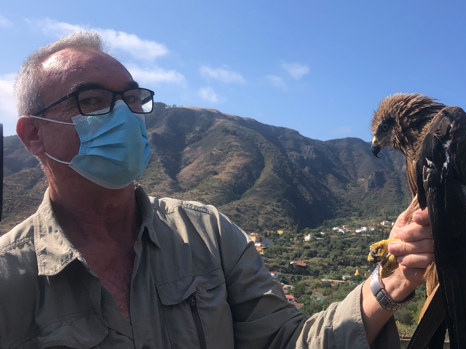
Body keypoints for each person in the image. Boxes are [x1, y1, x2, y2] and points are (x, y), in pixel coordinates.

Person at [0, 31, 434, 349]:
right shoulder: (9, 280)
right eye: (92, 101)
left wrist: (393, 282)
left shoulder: (208, 234)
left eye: (132, 100)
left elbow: (286, 341)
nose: (124, 115)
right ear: (34, 135)